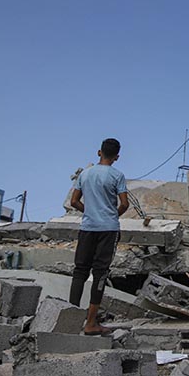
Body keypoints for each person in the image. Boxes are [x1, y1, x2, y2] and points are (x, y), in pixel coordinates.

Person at [68, 138, 129, 335]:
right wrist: (111, 215)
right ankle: (91, 323)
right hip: (108, 230)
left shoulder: (85, 174)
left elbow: (74, 201)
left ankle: (70, 318)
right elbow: (125, 204)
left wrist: (90, 212)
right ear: (117, 157)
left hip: (88, 228)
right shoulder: (117, 176)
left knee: (80, 271)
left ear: (98, 152)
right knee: (100, 273)